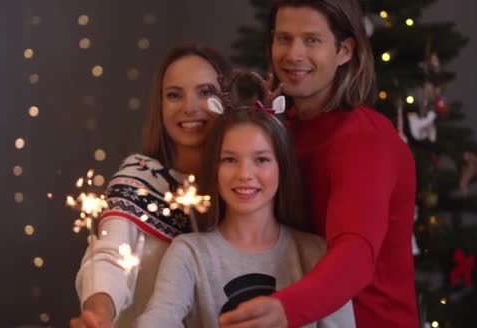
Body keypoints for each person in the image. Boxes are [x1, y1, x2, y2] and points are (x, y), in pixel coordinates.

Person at [219, 1, 419, 327]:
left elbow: (355, 252)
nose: (294, 54)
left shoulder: (365, 139)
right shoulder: (277, 133)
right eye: (284, 39)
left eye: (312, 40)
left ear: (344, 50)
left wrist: (285, 308)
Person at [135, 82, 355, 328]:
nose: (244, 174)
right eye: (229, 160)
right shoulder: (190, 254)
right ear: (214, 168)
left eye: (261, 159)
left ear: (282, 167)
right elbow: (159, 318)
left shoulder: (315, 254)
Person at [70, 43, 232, 328]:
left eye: (206, 92)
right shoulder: (139, 180)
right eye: (174, 95)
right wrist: (99, 311)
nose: (189, 107)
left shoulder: (244, 188)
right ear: (160, 105)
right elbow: (109, 254)